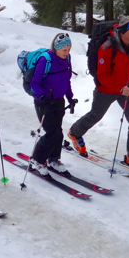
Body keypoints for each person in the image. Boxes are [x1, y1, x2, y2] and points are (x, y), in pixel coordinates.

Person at [67, 16, 129, 171]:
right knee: (95, 115)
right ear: (124, 31)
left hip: (126, 88)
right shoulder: (107, 47)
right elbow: (102, 76)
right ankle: (74, 132)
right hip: (105, 89)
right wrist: (119, 89)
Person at [27, 33, 79, 176]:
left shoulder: (67, 59)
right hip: (44, 102)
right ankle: (37, 160)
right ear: (56, 48)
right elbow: (34, 83)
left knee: (58, 133)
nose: (67, 53)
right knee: (51, 133)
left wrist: (70, 97)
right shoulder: (46, 60)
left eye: (69, 49)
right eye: (64, 50)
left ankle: (53, 159)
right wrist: (42, 96)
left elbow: (66, 80)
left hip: (59, 101)